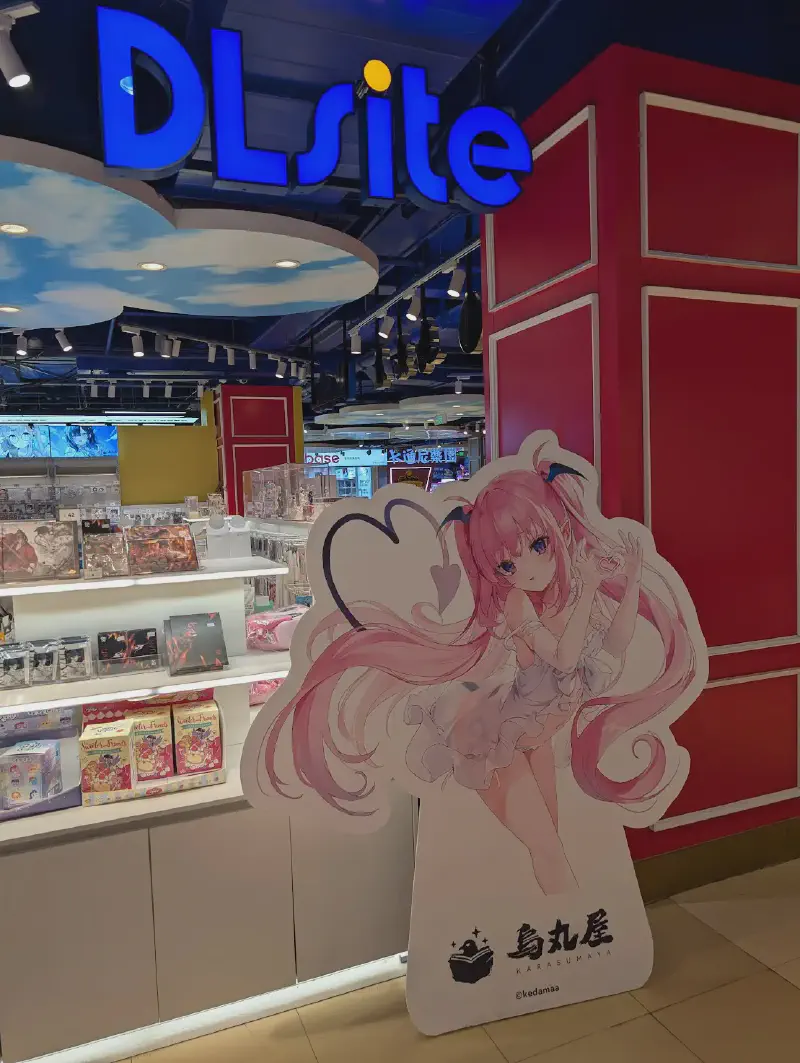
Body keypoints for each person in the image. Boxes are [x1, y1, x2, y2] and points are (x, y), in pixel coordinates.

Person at [258, 442, 697, 895]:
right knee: (550, 854)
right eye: (507, 564)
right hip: (492, 741)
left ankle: (556, 929)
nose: (526, 569)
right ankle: (548, 927)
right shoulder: (519, 602)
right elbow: (564, 658)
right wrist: (587, 590)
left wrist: (632, 579)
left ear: (560, 530)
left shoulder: (570, 600)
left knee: (551, 853)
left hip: (535, 741)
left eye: (538, 545)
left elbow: (614, 646)